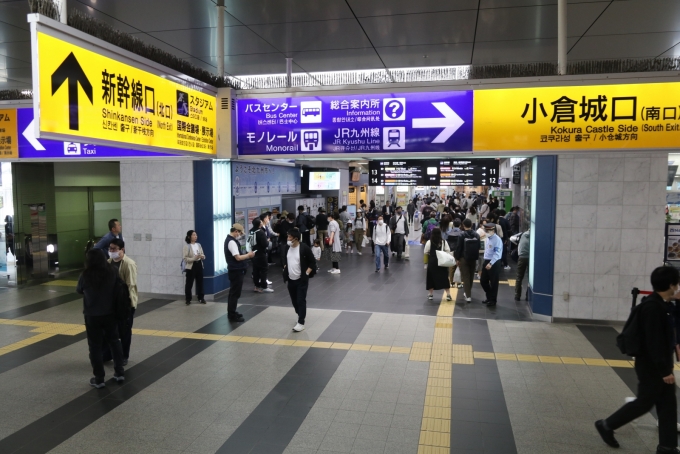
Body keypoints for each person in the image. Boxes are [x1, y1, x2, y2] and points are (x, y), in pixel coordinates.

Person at [595, 266, 680, 453]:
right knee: (644, 402)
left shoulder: (661, 304)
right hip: (651, 366)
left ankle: (668, 446)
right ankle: (606, 425)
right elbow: (654, 343)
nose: (678, 287)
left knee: (667, 404)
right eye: (676, 284)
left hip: (658, 364)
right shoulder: (653, 308)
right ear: (671, 285)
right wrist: (665, 371)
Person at [77, 249, 125, 388]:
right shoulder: (112, 271)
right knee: (114, 342)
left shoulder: (85, 275)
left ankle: (99, 379)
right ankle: (119, 372)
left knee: (95, 346)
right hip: (110, 313)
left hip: (92, 315)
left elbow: (79, 290)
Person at [102, 239, 137, 366]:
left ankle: (123, 356)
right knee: (109, 330)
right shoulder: (108, 263)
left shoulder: (129, 264)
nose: (111, 251)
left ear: (122, 250)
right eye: (110, 248)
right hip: (110, 304)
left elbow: (130, 285)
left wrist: (125, 303)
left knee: (125, 331)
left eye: (114, 249)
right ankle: (107, 354)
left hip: (125, 304)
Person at [282, 229, 317, 332]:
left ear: (296, 239)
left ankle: (301, 322)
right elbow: (284, 259)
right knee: (294, 301)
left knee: (300, 300)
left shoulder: (304, 248)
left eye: (289, 237)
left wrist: (306, 273)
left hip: (301, 279)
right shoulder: (286, 247)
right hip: (290, 279)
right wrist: (285, 267)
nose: (287, 239)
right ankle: (299, 315)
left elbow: (312, 262)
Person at [224, 224, 255, 322]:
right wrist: (248, 255)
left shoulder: (230, 240)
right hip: (236, 271)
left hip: (234, 270)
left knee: (233, 293)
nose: (240, 235)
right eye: (240, 233)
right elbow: (237, 257)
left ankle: (232, 311)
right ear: (236, 231)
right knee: (235, 293)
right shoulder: (232, 242)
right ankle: (232, 314)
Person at [454, 219, 480, 302]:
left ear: (463, 225)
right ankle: (468, 292)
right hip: (473, 258)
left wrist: (457, 258)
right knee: (471, 276)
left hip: (463, 258)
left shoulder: (461, 235)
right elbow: (479, 246)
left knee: (465, 276)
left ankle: (468, 296)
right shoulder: (476, 235)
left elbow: (458, 248)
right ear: (472, 225)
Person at [424, 228, 452, 302]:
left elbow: (426, 253)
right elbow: (448, 251)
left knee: (431, 278)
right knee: (444, 278)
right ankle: (448, 294)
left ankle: (430, 294)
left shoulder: (429, 242)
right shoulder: (444, 242)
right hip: (442, 263)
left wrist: (425, 264)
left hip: (432, 262)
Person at [479, 223, 503, 307]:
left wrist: (491, 263)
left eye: (487, 231)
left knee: (493, 282)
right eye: (485, 230)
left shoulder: (497, 240)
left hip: (494, 262)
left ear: (492, 231)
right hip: (486, 261)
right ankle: (489, 296)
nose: (486, 232)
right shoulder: (488, 238)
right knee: (483, 281)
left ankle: (492, 300)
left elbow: (497, 253)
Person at [183, 230, 206, 305]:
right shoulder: (187, 246)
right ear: (189, 236)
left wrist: (202, 257)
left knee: (200, 282)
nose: (195, 236)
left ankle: (201, 298)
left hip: (199, 264)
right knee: (189, 283)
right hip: (191, 266)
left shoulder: (199, 245)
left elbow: (202, 254)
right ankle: (188, 299)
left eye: (196, 235)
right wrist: (194, 258)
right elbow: (185, 258)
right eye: (193, 235)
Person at [250, 218, 273, 293]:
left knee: (255, 270)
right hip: (261, 253)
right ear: (260, 224)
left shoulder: (251, 231)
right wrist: (267, 241)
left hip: (253, 253)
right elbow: (265, 244)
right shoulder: (261, 232)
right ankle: (264, 286)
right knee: (264, 269)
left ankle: (256, 286)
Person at [514, 229, 530, 302]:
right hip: (530, 258)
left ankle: (517, 295)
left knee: (519, 277)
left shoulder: (522, 234)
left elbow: (512, 238)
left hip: (521, 257)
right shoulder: (535, 236)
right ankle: (528, 295)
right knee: (530, 278)